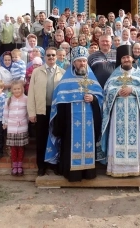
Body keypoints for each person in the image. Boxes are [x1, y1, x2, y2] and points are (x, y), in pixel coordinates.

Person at [45, 46, 103, 182]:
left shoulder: (92, 81)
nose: (82, 63)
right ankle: (72, 174)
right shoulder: (65, 82)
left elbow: (101, 99)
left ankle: (88, 173)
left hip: (89, 122)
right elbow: (59, 101)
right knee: (69, 145)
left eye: (84, 61)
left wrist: (93, 99)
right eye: (79, 61)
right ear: (73, 63)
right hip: (70, 123)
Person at [100, 45, 140, 177]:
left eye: (128, 57)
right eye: (124, 57)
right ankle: (116, 169)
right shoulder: (114, 75)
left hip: (135, 116)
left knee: (135, 139)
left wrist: (133, 90)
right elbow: (107, 91)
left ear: (133, 59)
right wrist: (117, 91)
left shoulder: (138, 75)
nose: (126, 59)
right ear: (120, 60)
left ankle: (135, 168)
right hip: (117, 115)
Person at [27, 47, 65, 176]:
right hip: (41, 110)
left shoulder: (63, 72)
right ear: (45, 57)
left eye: (53, 55)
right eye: (48, 55)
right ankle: (41, 166)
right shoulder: (37, 72)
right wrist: (31, 112)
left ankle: (54, 164)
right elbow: (31, 93)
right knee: (41, 139)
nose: (51, 57)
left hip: (57, 111)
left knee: (56, 137)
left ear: (57, 56)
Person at [2, 80, 29, 175]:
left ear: (22, 89)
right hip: (12, 127)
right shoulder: (8, 100)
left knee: (21, 147)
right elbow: (5, 112)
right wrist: (5, 122)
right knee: (13, 147)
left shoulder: (26, 99)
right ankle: (14, 165)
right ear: (12, 90)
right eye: (15, 89)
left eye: (18, 89)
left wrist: (29, 120)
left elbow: (28, 112)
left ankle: (20, 165)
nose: (17, 91)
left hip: (22, 127)